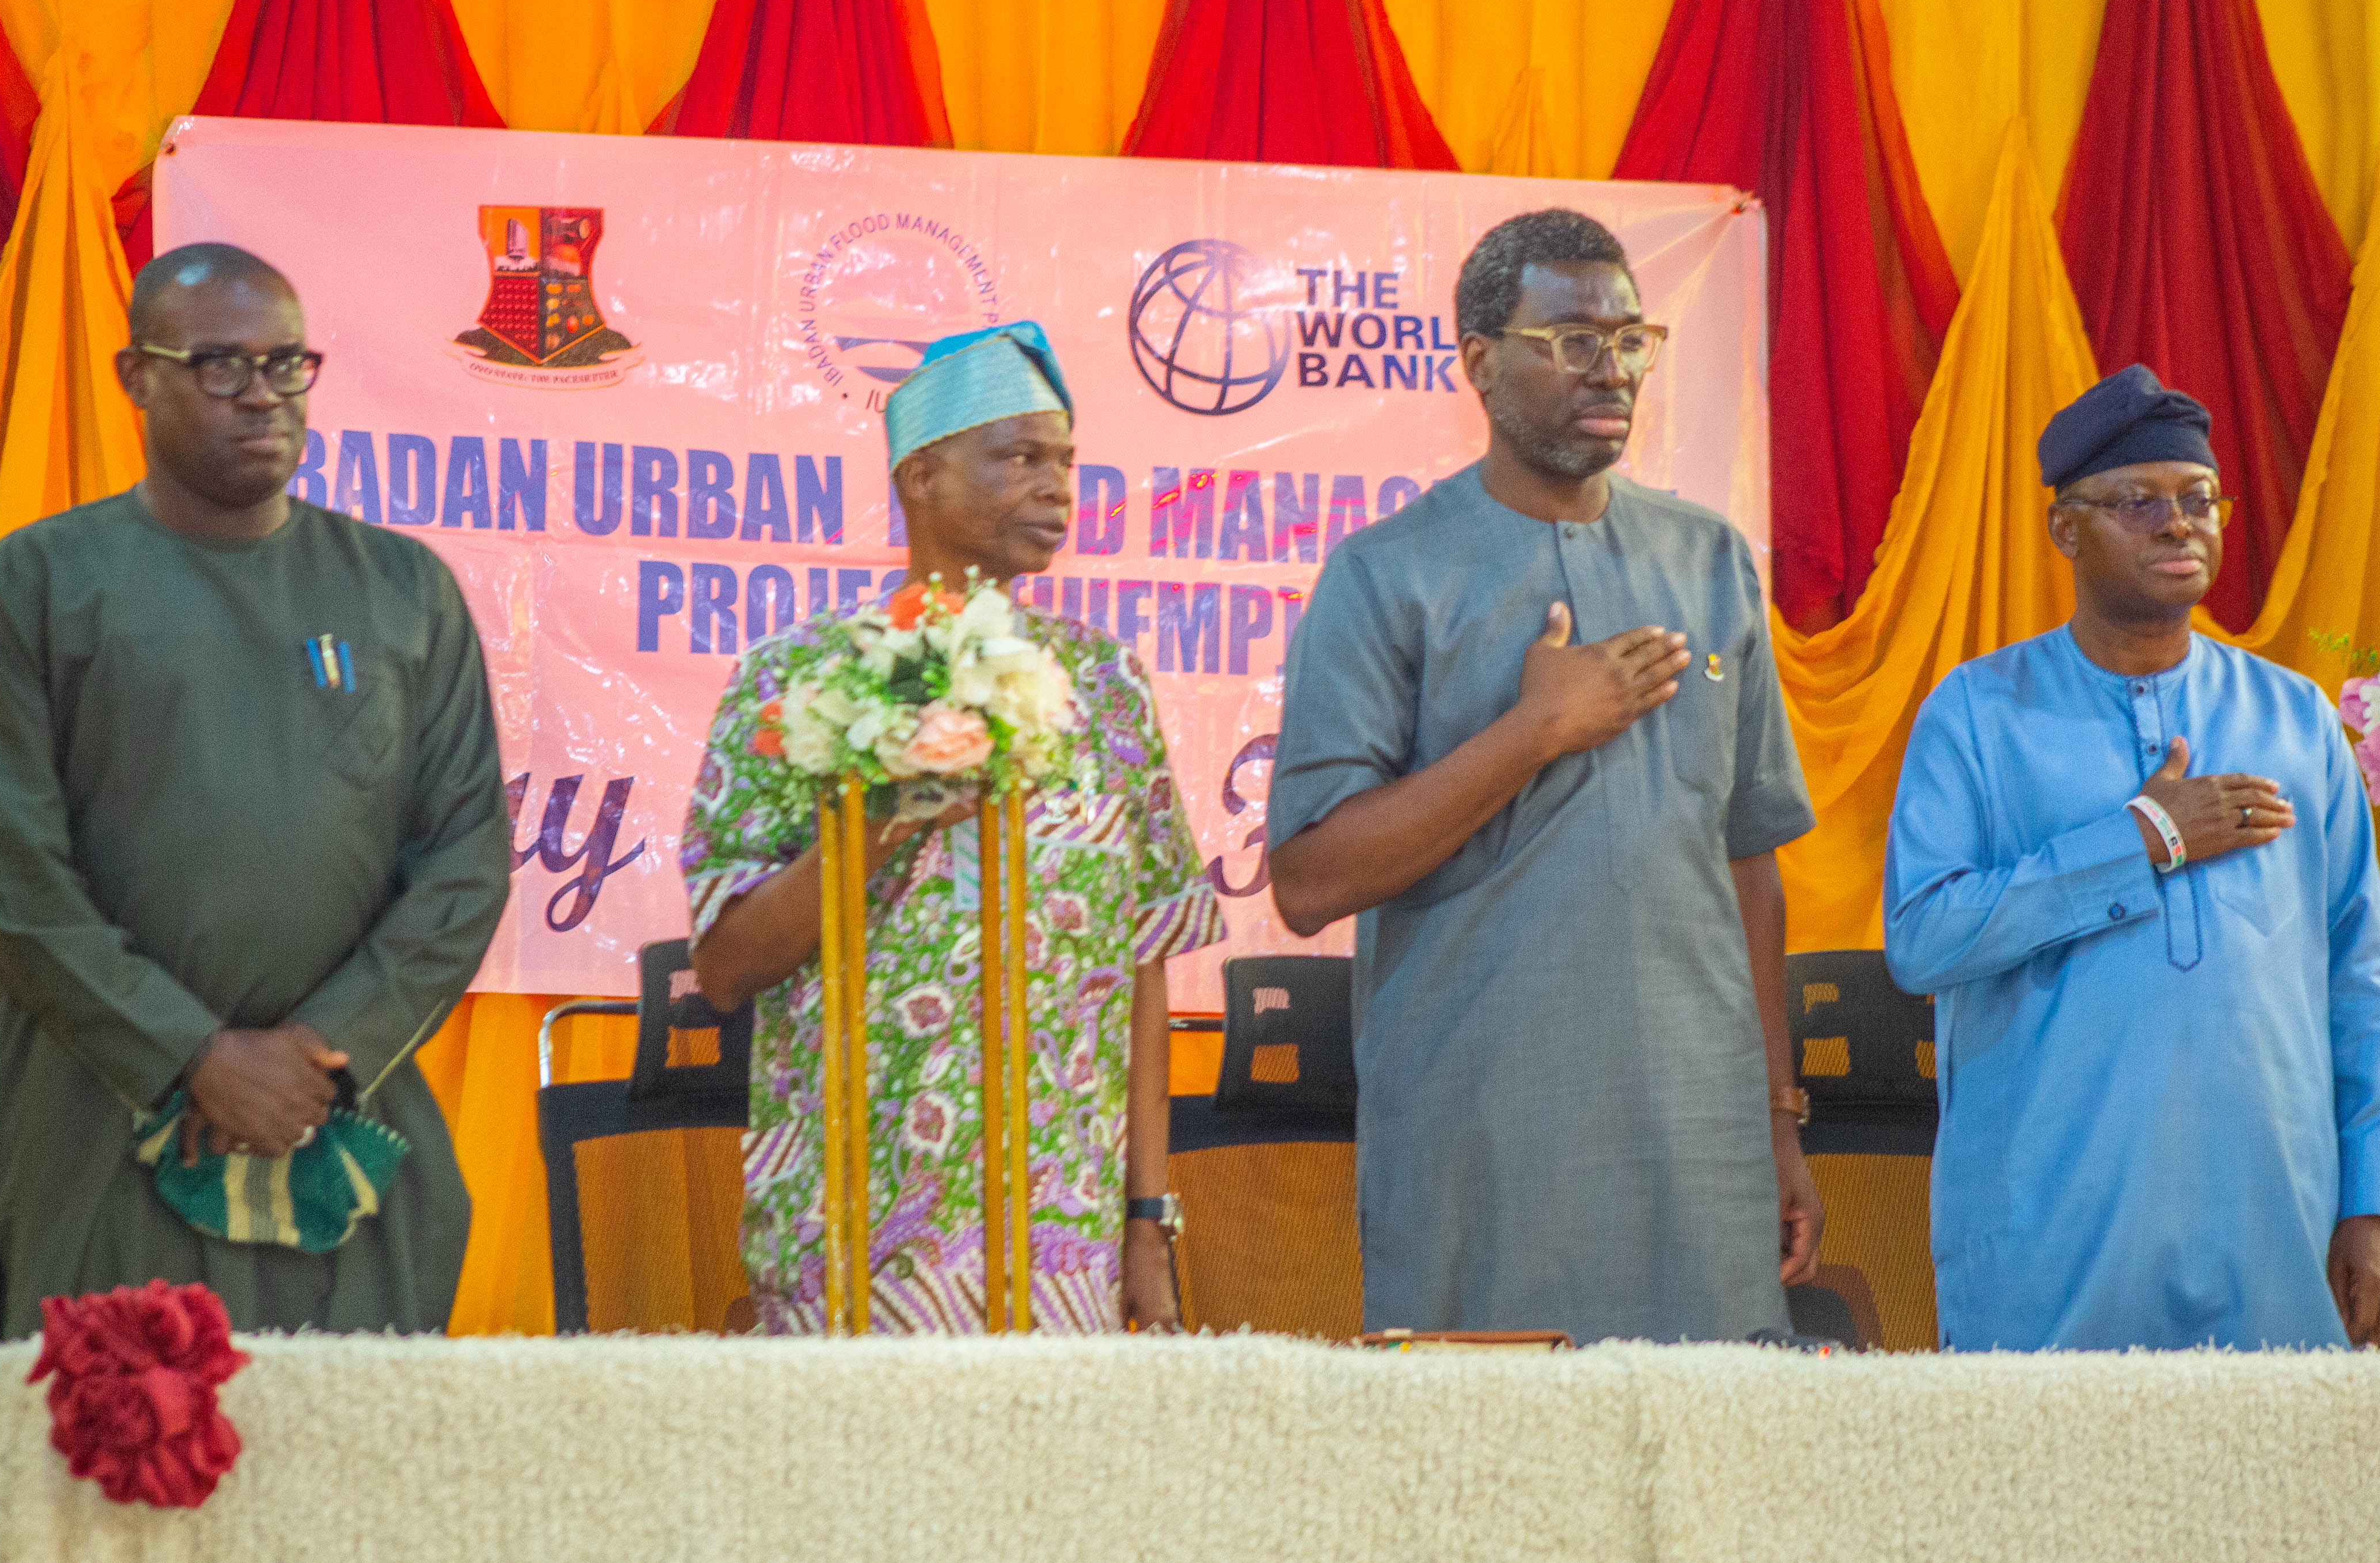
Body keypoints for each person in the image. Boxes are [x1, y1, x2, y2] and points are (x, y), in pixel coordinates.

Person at [1266, 208, 1822, 1347]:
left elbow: (1749, 862)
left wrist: (1776, 1120)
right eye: (1570, 341)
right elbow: (1311, 879)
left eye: (1630, 339)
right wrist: (1534, 732)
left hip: (1702, 1139)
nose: (1610, 369)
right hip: (1487, 1140)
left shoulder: (1708, 559)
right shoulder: (1388, 575)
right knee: (1493, 1486)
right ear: (1478, 362)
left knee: (1711, 1482)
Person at [0, 243, 511, 1336]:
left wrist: (321, 1054)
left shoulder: (403, 590)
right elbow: (4, 872)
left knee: (355, 1484)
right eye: (218, 365)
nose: (262, 394)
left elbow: (464, 859)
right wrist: (190, 1055)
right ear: (135, 376)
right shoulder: (39, 583)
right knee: (117, 1473)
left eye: (285, 363)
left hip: (350, 1121)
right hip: (110, 1126)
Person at [682, 322, 1224, 1334]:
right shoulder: (798, 682)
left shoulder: (1104, 687)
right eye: (1020, 457)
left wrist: (1148, 1224)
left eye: (1066, 460)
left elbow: (1143, 964)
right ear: (921, 476)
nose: (1059, 487)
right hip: (852, 1231)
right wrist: (882, 815)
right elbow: (724, 970)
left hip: (1062, 1243)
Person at [1882, 363, 2380, 1351]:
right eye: (2139, 502)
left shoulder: (2294, 716)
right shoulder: (1980, 715)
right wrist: (2141, 841)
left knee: (2274, 1492)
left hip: (2271, 1224)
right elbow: (1922, 940)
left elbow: (2358, 975)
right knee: (2049, 1491)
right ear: (2065, 529)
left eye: (2199, 499)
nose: (2178, 524)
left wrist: (2367, 1199)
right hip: (2053, 1224)